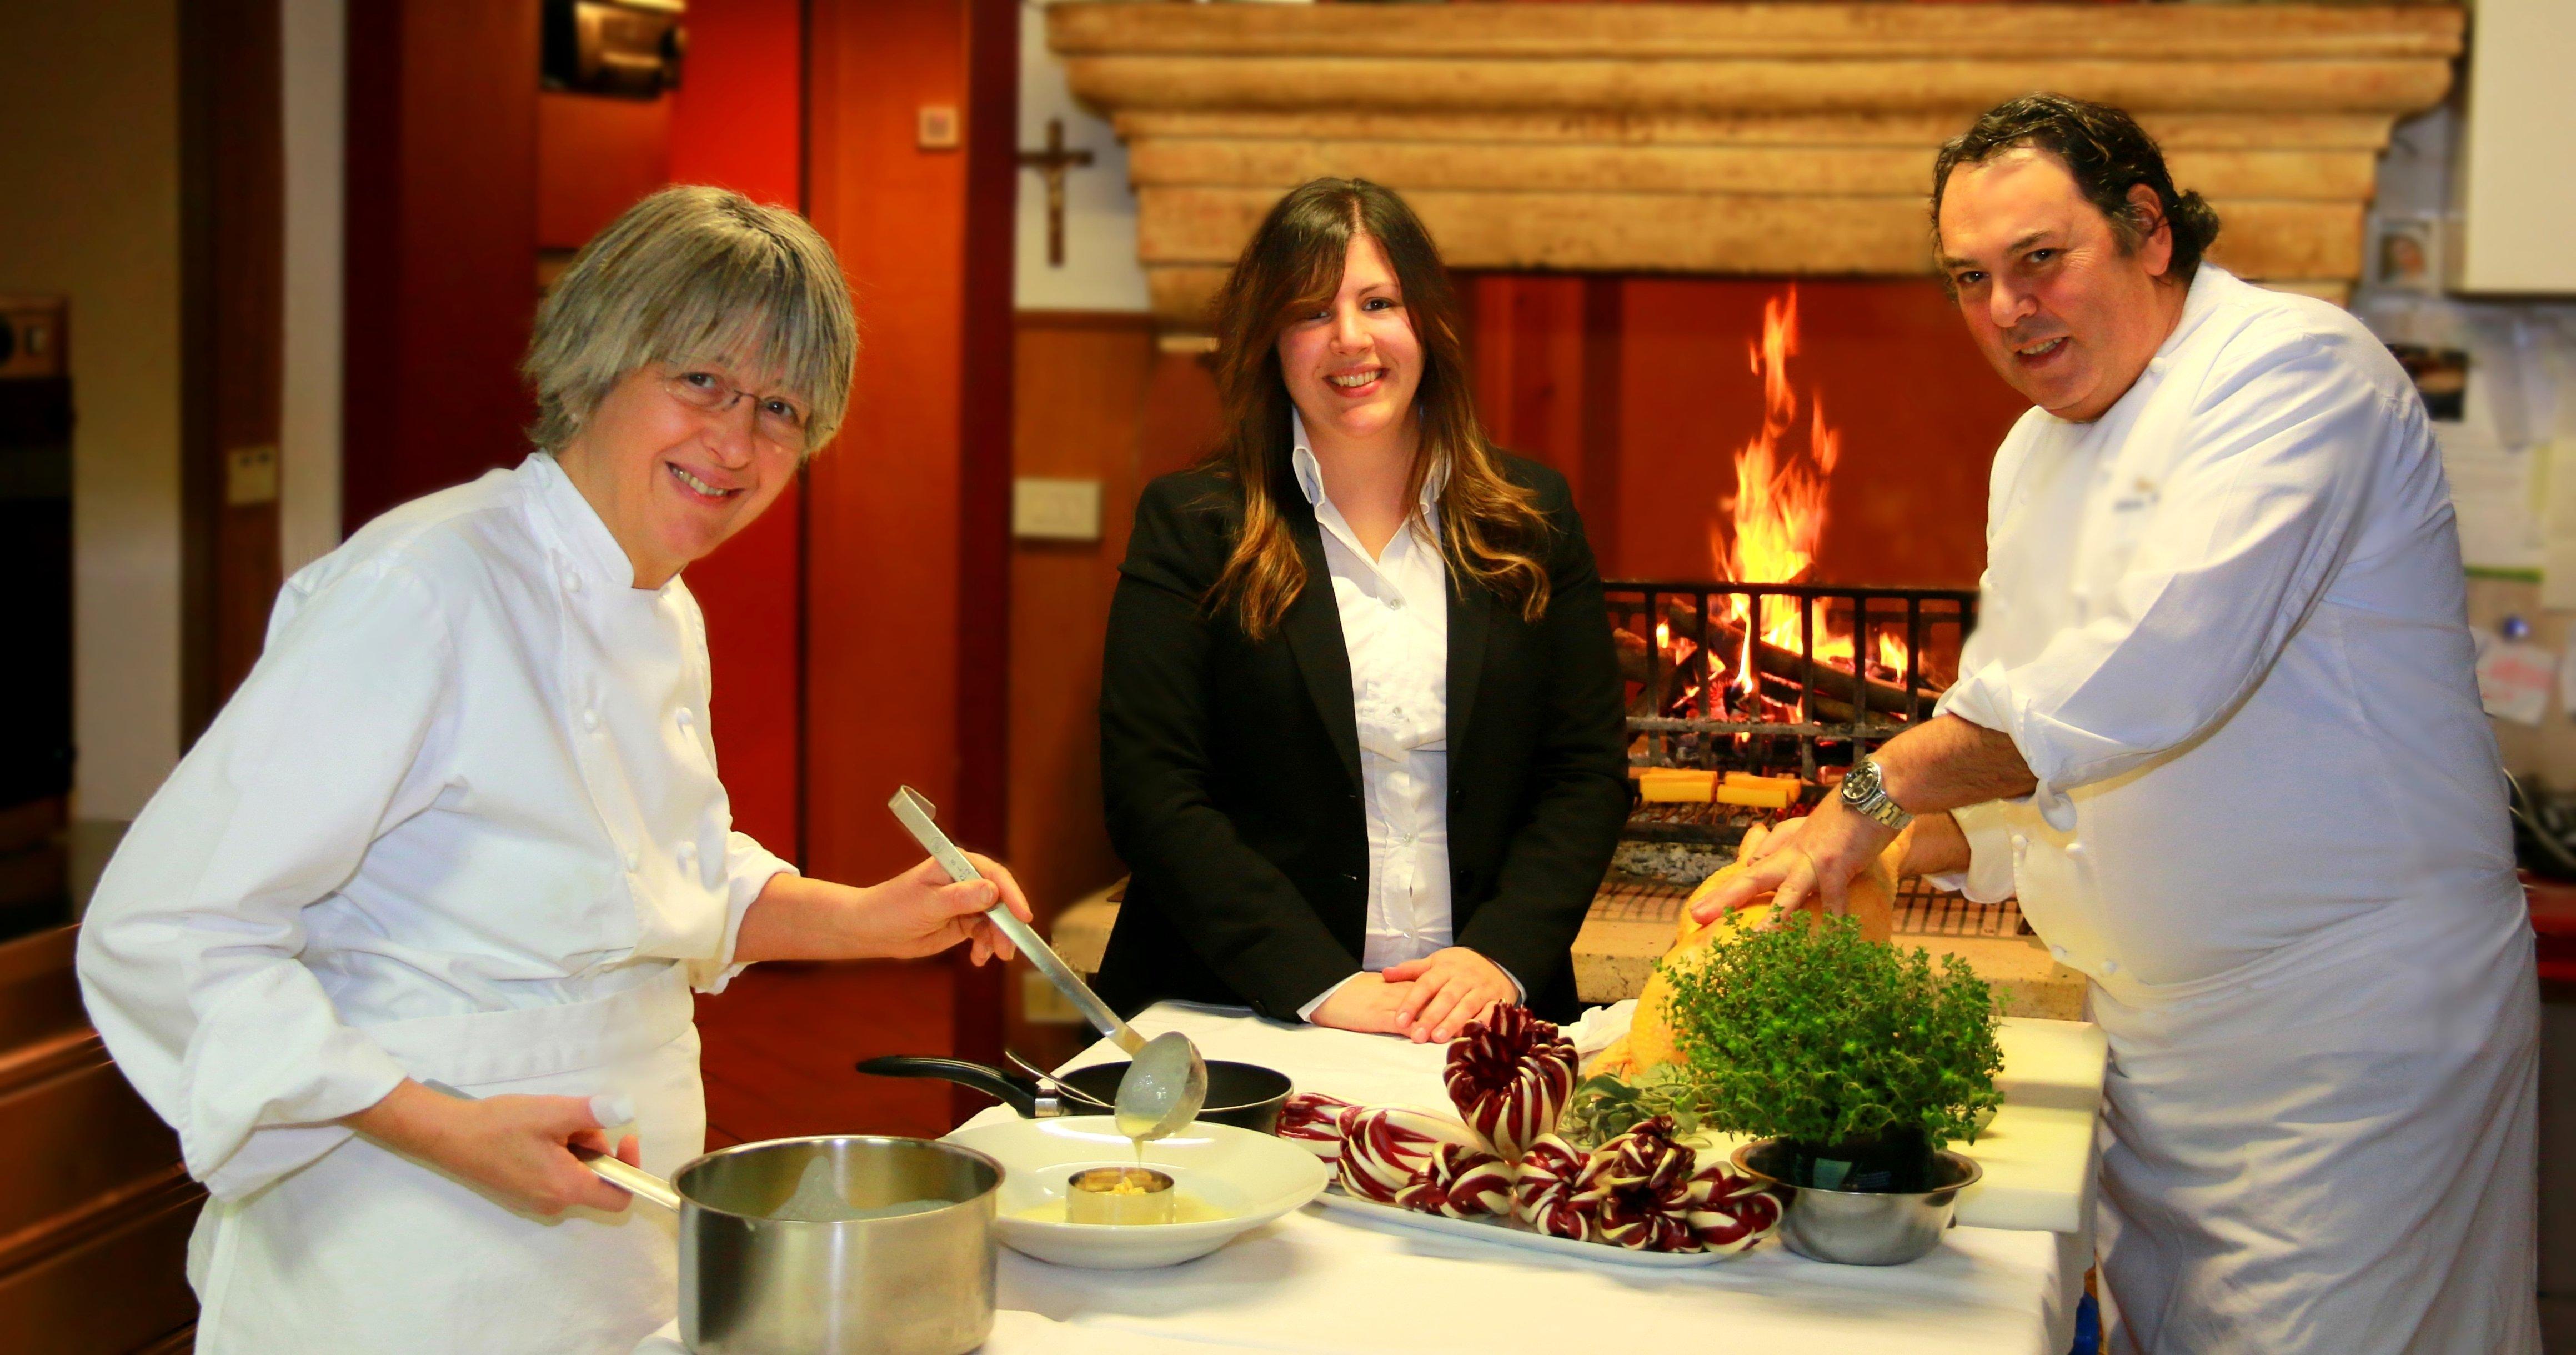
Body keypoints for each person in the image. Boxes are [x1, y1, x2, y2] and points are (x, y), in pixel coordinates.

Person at [76, 186, 1033, 1354]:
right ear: (601, 357)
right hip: (405, 1250)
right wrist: (441, 1129)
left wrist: (874, 919)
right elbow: (167, 926)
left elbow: (645, 875)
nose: (736, 443)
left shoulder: (661, 607)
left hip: (614, 1228)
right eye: (702, 381)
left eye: (780, 407)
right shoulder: (422, 588)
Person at [1696, 94, 2539, 1352]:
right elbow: (2052, 746)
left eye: (2041, 258)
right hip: (2147, 1043)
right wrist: (1901, 845)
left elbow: (2147, 681)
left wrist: (1871, 790)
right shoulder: (2033, 454)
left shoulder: (2296, 372)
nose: (2006, 309)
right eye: (1970, 279)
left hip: (2345, 1042)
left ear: (2149, 229)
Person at [1097, 178, 1627, 1044]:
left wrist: (1495, 958)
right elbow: (1152, 792)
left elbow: (1585, 773)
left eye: (1377, 302)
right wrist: (1319, 986)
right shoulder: (1191, 526)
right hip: (1251, 1014)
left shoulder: (1532, 516)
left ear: (1426, 321)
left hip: (1483, 1016)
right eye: (1309, 312)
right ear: (1270, 339)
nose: (1349, 339)